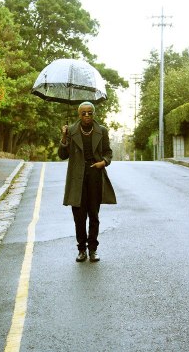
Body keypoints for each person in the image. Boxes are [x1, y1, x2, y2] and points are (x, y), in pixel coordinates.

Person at [58, 101, 116, 263]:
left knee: (94, 215)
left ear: (94, 114)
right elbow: (62, 155)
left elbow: (108, 152)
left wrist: (103, 162)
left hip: (95, 176)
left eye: (90, 112)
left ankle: (93, 250)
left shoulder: (102, 131)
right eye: (83, 113)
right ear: (79, 114)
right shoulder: (70, 131)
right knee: (79, 216)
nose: (87, 116)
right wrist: (64, 137)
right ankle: (81, 249)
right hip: (77, 178)